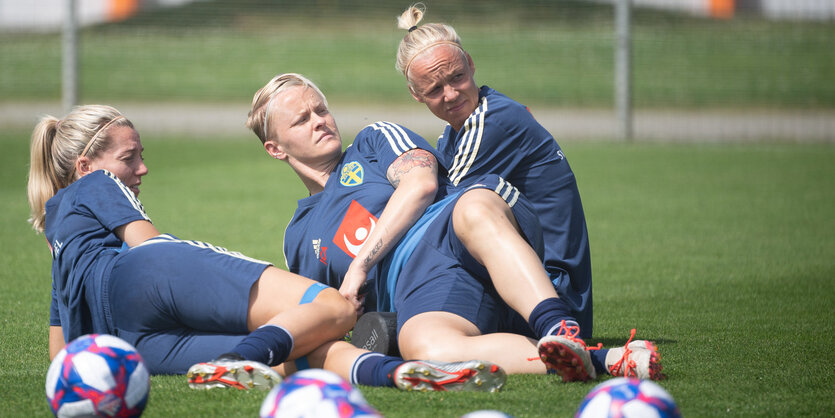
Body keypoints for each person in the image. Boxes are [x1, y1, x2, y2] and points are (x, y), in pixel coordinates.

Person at [27, 104, 508, 392]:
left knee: (292, 351)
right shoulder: (92, 185)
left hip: (131, 344)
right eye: (130, 158)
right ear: (87, 165)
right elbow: (146, 249)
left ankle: (396, 375)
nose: (142, 170)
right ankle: (247, 354)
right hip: (148, 278)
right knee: (332, 306)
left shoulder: (57, 233)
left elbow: (59, 352)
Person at [246, 73, 662, 382]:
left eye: (321, 109)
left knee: (473, 207)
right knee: (426, 348)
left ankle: (557, 324)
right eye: (302, 120)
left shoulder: (373, 141)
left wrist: (358, 266)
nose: (319, 120)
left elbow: (422, 183)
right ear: (276, 149)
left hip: (453, 231)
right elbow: (319, 316)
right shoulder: (297, 236)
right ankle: (598, 360)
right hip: (423, 292)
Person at [394, 4, 594, 339]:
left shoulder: (494, 120)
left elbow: (434, 218)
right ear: (416, 95)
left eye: (457, 77)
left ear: (470, 64)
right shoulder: (454, 133)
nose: (451, 94)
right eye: (434, 89)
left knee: (448, 222)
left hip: (549, 295)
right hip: (523, 289)